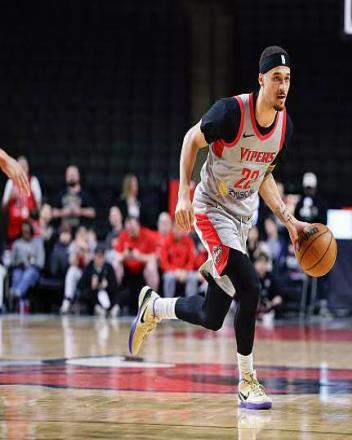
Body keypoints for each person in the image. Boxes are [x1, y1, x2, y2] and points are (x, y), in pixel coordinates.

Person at [129, 45, 308, 410]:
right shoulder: (230, 113)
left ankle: (154, 307)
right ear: (261, 80)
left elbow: (263, 176)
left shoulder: (284, 127)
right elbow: (190, 140)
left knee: (212, 316)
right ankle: (247, 381)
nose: (283, 86)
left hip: (243, 218)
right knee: (250, 287)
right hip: (211, 210)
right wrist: (183, 193)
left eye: (288, 79)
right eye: (276, 78)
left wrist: (288, 220)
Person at [113, 216, 158, 314]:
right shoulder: (123, 236)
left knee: (151, 267)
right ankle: (115, 302)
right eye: (129, 229)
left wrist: (140, 256)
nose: (131, 231)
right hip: (128, 270)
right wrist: (124, 255)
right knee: (116, 265)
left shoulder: (148, 235)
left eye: (133, 228)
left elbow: (154, 257)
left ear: (138, 226)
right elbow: (117, 257)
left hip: (142, 268)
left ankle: (154, 301)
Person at [2, 156, 42, 244]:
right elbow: (3, 207)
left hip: (30, 227)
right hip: (14, 228)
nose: (23, 169)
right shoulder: (10, 182)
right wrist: (11, 196)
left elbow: (39, 205)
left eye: (24, 166)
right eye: (20, 166)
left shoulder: (33, 181)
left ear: (28, 168)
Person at [9, 222, 45, 308]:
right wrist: (19, 262)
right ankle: (21, 301)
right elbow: (11, 262)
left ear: (31, 232)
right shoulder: (17, 244)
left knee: (29, 273)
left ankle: (16, 293)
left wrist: (31, 262)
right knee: (16, 274)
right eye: (24, 232)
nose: (26, 234)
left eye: (27, 232)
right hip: (20, 268)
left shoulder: (37, 243)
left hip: (34, 270)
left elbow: (41, 263)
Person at [159, 222, 198, 298]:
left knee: (193, 277)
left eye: (180, 228)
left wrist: (185, 271)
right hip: (171, 271)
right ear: (172, 228)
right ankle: (168, 302)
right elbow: (164, 263)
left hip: (185, 271)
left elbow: (192, 260)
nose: (178, 230)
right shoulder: (166, 241)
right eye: (176, 228)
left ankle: (191, 302)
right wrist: (175, 271)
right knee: (169, 277)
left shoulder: (189, 241)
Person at [52, 165, 96, 230]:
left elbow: (93, 212)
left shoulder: (86, 195)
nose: (71, 177)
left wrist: (80, 211)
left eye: (73, 174)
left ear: (78, 176)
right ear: (66, 177)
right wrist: (63, 212)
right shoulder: (60, 195)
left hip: (82, 230)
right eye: (69, 175)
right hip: (64, 231)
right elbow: (52, 213)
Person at [78, 245, 118, 316]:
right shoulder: (89, 267)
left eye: (101, 256)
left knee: (118, 294)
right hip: (93, 295)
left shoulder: (109, 267)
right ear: (94, 256)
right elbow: (81, 285)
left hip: (107, 293)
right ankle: (97, 309)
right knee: (87, 295)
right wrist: (92, 285)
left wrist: (107, 285)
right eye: (98, 256)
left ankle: (111, 309)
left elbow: (115, 285)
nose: (99, 259)